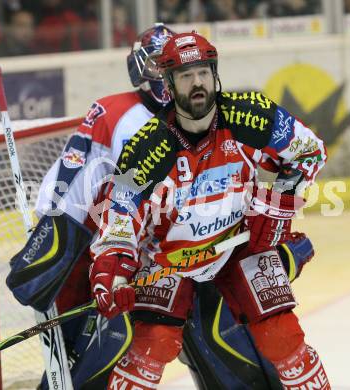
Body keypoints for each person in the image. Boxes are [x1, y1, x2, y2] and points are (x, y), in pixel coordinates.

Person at [89, 31, 330, 389]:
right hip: (170, 257)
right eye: (186, 76)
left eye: (203, 72)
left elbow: (310, 151)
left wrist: (276, 205)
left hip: (238, 244)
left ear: (214, 74)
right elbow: (119, 215)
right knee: (152, 343)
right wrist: (113, 270)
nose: (197, 82)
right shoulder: (146, 147)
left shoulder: (253, 115)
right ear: (169, 85)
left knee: (282, 336)